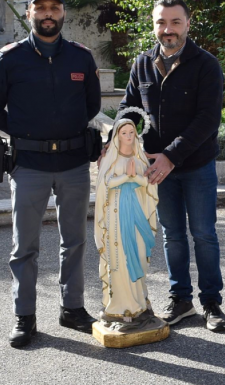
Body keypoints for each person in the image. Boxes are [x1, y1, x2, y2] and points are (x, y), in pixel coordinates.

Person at [0, 0, 103, 348]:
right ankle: (24, 316)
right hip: (29, 164)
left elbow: (92, 106)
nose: (48, 13)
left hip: (73, 163)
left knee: (75, 241)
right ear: (29, 13)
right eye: (41, 8)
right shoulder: (9, 57)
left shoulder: (81, 57)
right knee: (25, 246)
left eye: (54, 7)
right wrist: (24, 133)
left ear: (63, 13)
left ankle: (73, 309)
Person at [116, 0, 225, 331]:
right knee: (172, 236)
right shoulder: (142, 63)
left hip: (195, 167)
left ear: (188, 24)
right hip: (157, 170)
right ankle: (181, 301)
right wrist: (119, 137)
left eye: (175, 22)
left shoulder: (206, 65)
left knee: (204, 234)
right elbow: (129, 107)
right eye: (161, 23)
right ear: (154, 25)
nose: (168, 30)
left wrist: (171, 156)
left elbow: (208, 119)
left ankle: (212, 303)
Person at [94, 113, 162, 333]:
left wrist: (137, 179)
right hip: (115, 217)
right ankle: (119, 307)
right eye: (124, 133)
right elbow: (104, 184)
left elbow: (149, 184)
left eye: (132, 132)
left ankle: (139, 304)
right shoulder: (110, 158)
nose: (129, 136)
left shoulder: (140, 157)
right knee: (119, 259)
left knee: (139, 254)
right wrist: (126, 178)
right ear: (117, 136)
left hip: (136, 214)